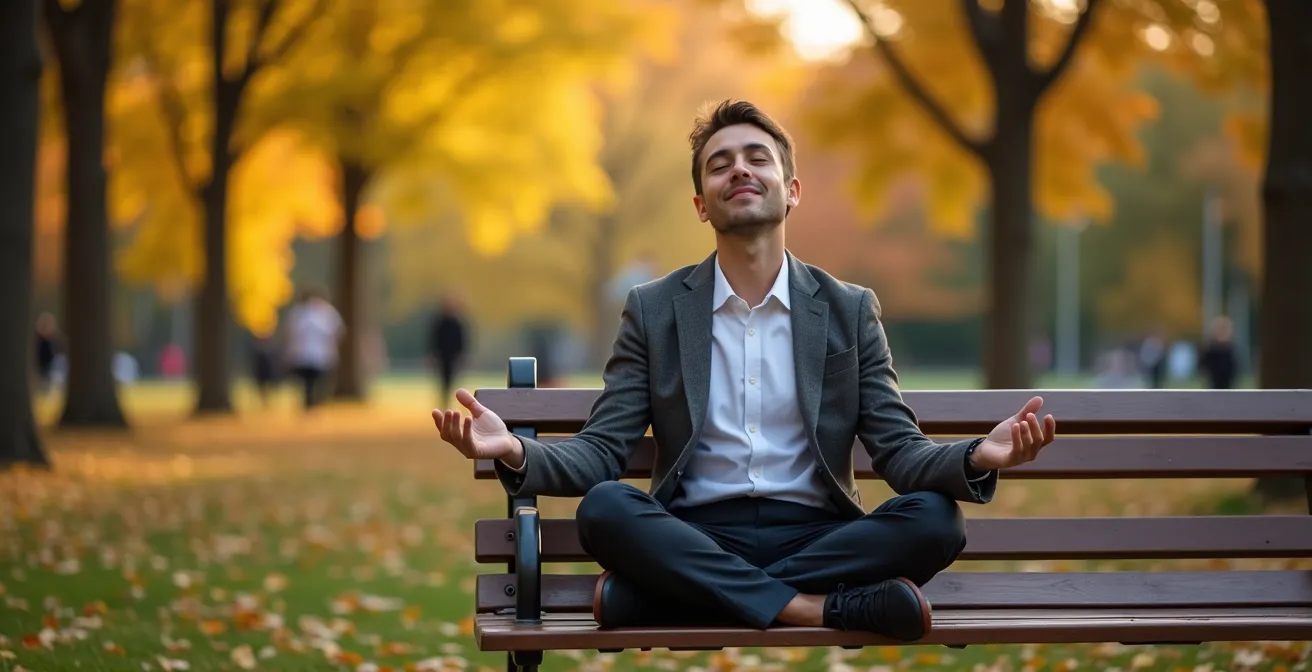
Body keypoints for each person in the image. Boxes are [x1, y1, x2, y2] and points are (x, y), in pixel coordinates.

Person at [431, 100, 1057, 641]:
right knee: (605, 509)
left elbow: (898, 451)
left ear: (792, 189)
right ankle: (813, 611)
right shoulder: (654, 310)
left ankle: (662, 599)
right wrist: (514, 450)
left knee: (936, 520)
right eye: (720, 162)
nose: (740, 169)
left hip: (818, 537)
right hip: (694, 532)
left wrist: (976, 458)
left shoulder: (848, 308)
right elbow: (602, 451)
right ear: (702, 205)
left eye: (757, 157)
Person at [283, 287, 344, 411]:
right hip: (318, 355)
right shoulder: (326, 312)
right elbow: (337, 332)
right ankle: (313, 402)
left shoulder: (299, 313)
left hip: (305, 354)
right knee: (314, 381)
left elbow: (291, 333)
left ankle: (311, 402)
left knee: (309, 382)